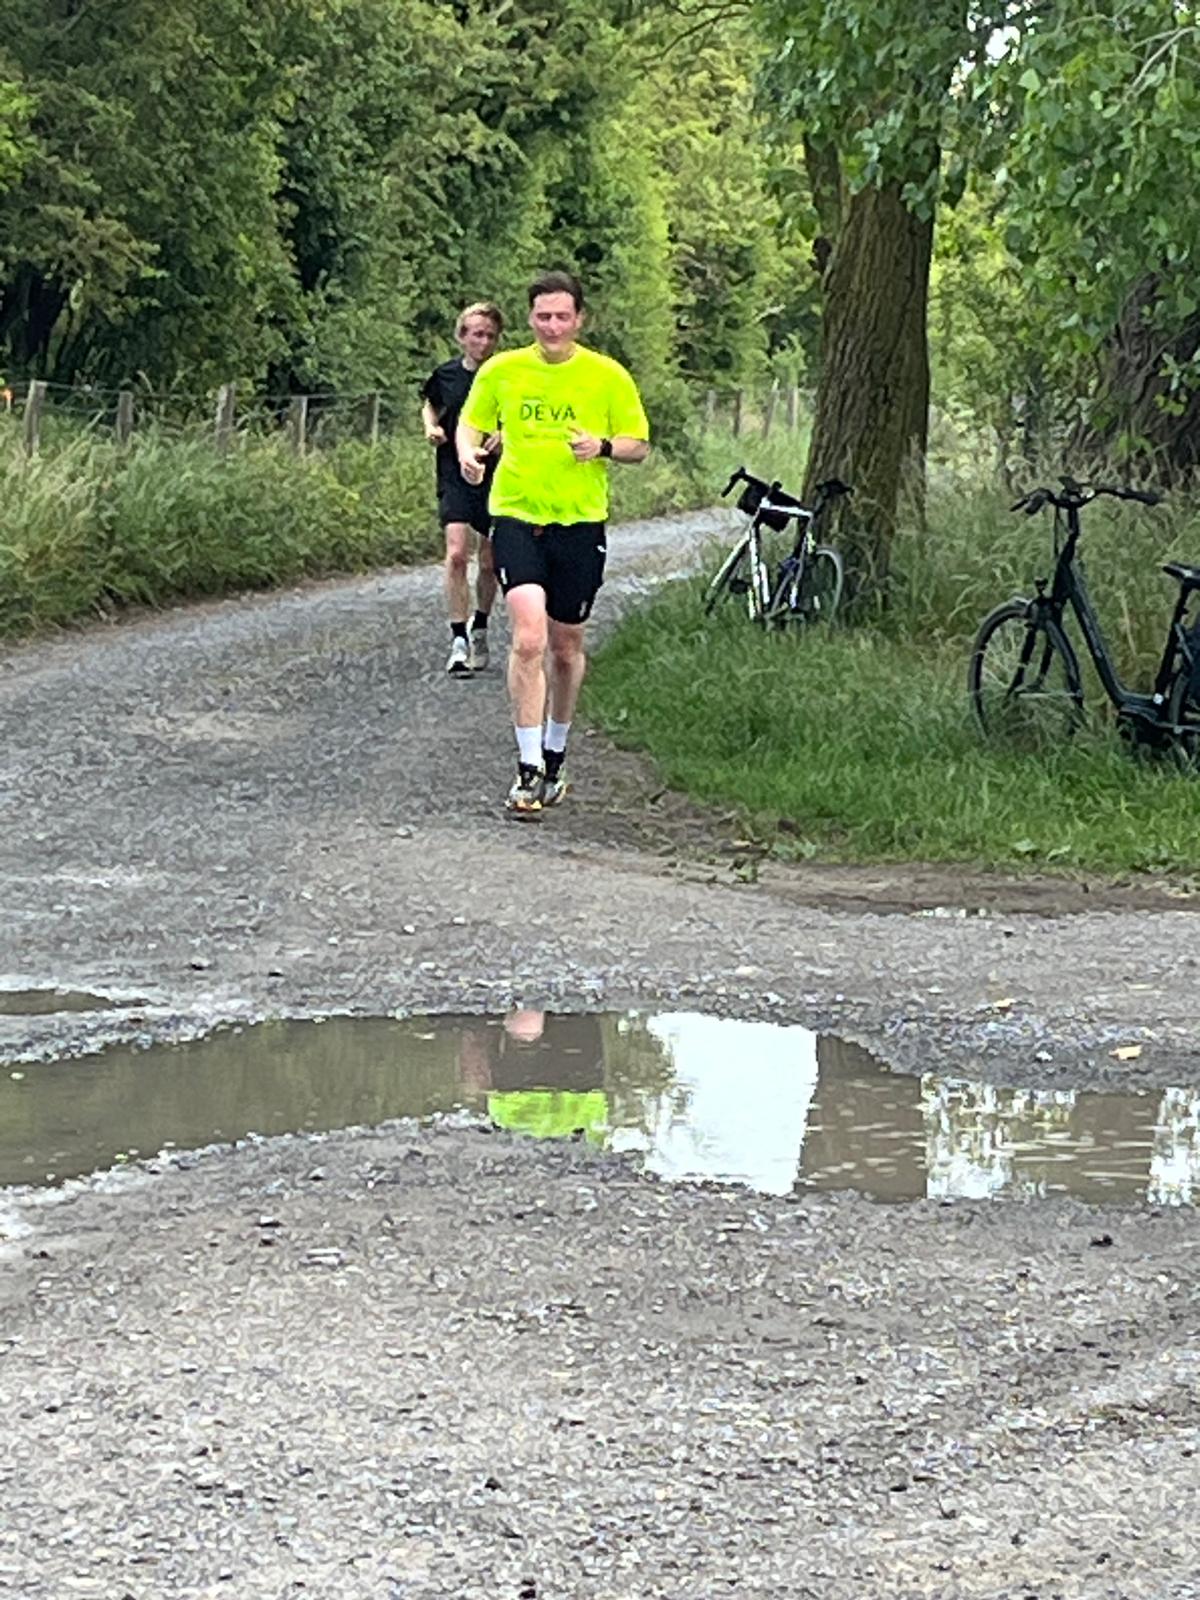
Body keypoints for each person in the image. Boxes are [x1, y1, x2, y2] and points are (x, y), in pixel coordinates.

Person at [456, 269, 650, 816]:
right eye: (543, 316)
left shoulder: (606, 375)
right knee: (528, 639)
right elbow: (471, 423)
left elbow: (639, 444)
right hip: (516, 514)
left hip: (580, 523)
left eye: (563, 316)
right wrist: (468, 454)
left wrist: (603, 446)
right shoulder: (502, 369)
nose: (553, 326)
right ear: (530, 318)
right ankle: (527, 768)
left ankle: (556, 752)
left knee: (565, 650)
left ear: (579, 319)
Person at [421, 301, 504, 676]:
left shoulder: (505, 377)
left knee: (489, 561)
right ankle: (458, 639)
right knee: (456, 554)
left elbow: (520, 418)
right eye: (476, 334)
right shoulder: (446, 375)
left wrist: (505, 435)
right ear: (462, 337)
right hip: (454, 472)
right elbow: (430, 404)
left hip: (496, 476)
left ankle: (480, 624)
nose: (483, 342)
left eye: (490, 336)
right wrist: (431, 427)